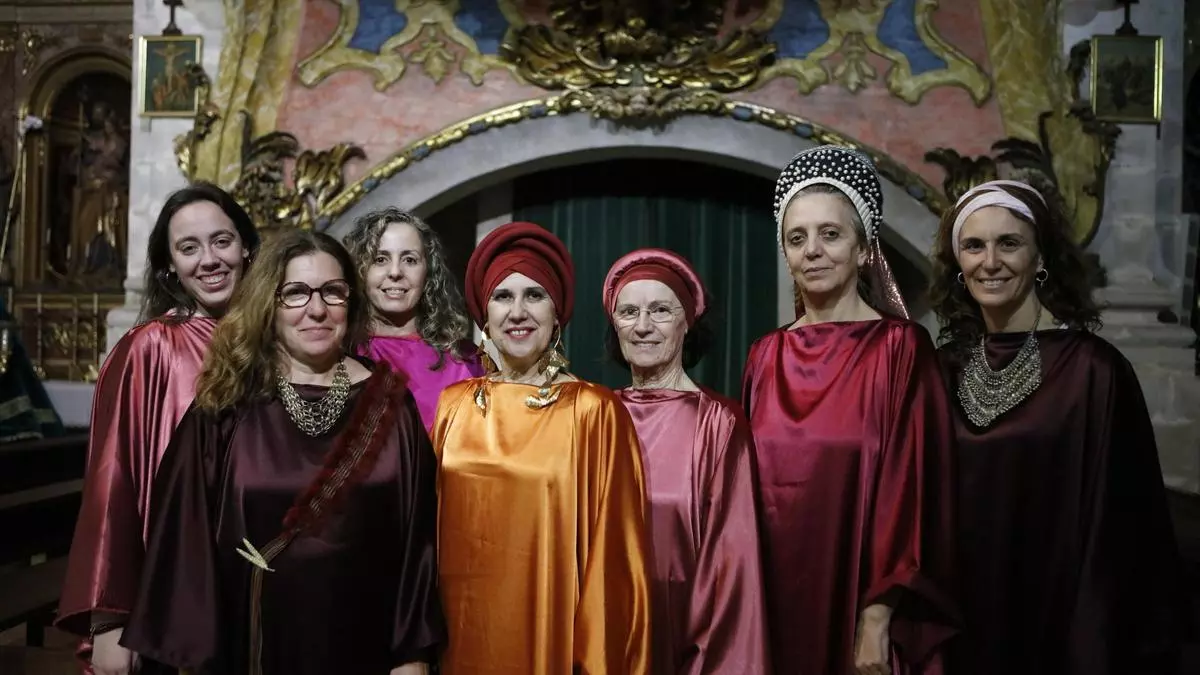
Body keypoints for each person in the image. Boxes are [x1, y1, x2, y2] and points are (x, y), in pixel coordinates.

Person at [121, 229, 445, 675]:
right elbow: (181, 538)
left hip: (366, 645)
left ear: (350, 302)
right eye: (295, 293)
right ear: (268, 304)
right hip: (251, 642)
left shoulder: (390, 403)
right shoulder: (226, 404)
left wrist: (412, 656)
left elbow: (418, 543)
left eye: (332, 291)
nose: (317, 308)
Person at [929, 179, 1188, 675]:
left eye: (1009, 243)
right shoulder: (943, 371)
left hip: (1059, 621)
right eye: (974, 246)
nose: (990, 262)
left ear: (1040, 255)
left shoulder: (1095, 371)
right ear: (958, 264)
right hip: (964, 622)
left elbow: (1125, 531)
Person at [742, 145, 957, 675]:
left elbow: (911, 491)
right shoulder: (765, 355)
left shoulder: (901, 348)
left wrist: (877, 619)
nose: (812, 251)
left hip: (862, 611)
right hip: (771, 605)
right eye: (797, 238)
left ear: (864, 251)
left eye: (830, 234)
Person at [56, 182, 260, 675]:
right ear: (170, 266)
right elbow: (113, 485)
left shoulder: (273, 345)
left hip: (255, 590)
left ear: (247, 248)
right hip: (168, 595)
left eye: (222, 241)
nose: (209, 260)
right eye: (189, 248)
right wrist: (109, 620)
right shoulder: (149, 349)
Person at [432, 221, 652, 675]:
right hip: (458, 646)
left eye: (534, 295)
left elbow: (613, 568)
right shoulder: (454, 405)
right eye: (503, 296)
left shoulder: (593, 410)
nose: (517, 312)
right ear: (485, 316)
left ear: (556, 314)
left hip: (553, 649)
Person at [602, 248, 770, 675]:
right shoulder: (596, 417)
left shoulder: (719, 423)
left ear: (687, 322)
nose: (642, 326)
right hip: (605, 647)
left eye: (660, 310)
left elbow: (732, 576)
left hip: (687, 651)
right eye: (629, 312)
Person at [343, 207, 482, 432]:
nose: (395, 272)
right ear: (360, 271)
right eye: (380, 259)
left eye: (409, 260)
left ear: (429, 272)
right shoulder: (339, 355)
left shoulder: (467, 362)